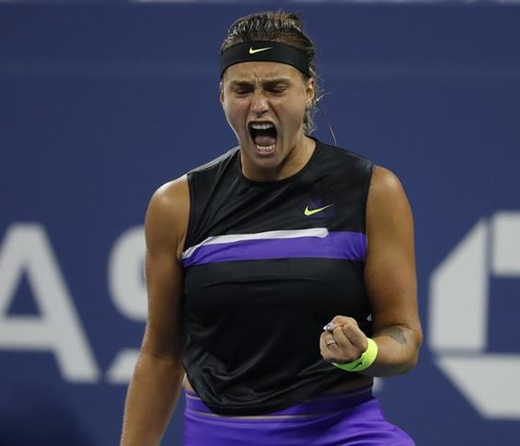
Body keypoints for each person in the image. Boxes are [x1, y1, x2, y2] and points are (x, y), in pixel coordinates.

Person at [120, 10, 422, 446]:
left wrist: (366, 353)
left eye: (276, 87)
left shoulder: (373, 190)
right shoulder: (176, 205)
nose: (259, 105)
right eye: (242, 89)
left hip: (340, 430)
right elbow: (161, 354)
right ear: (221, 96)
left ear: (309, 92)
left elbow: (403, 335)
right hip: (219, 434)